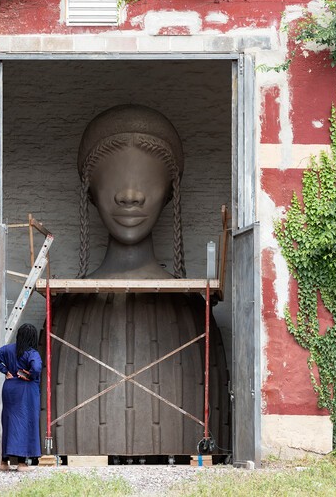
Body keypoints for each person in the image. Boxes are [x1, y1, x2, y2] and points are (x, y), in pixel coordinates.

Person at [45, 104, 229, 456]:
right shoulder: (65, 313)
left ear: (170, 192)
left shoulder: (193, 312)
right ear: (90, 192)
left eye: (147, 180)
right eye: (113, 179)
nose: (130, 194)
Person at [0, 323, 42, 471]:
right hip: (26, 392)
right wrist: (30, 375)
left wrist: (5, 371)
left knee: (9, 423)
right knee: (24, 424)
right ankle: (22, 463)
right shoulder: (32, 353)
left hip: (10, 389)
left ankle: (4, 463)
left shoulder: (8, 349)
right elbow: (36, 368)